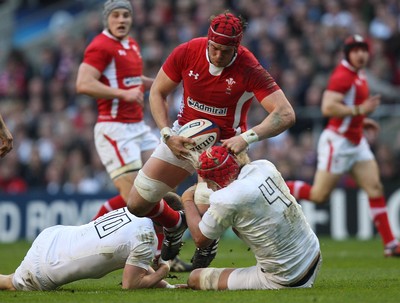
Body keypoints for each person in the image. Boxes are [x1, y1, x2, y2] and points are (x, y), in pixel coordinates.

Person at [126, 11, 295, 264]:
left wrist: (246, 138)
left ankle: (209, 244)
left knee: (206, 227)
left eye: (225, 51)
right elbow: (158, 92)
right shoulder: (187, 51)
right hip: (182, 137)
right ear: (208, 40)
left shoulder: (249, 67)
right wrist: (166, 134)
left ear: (237, 48)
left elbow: (285, 113)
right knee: (137, 204)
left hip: (224, 150)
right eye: (214, 48)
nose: (218, 55)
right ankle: (174, 223)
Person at [75, 0, 191, 271]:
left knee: (162, 188)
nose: (121, 20)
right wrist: (122, 94)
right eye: (116, 15)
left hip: (138, 128)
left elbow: (131, 79)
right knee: (135, 199)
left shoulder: (131, 45)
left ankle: (165, 257)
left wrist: (164, 84)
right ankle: (92, 240)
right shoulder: (100, 46)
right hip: (114, 129)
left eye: (126, 15)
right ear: (107, 19)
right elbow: (83, 83)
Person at [286, 34, 400, 257]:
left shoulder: (359, 73)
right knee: (319, 195)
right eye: (356, 50)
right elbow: (328, 108)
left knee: (375, 188)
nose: (361, 54)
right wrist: (359, 112)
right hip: (337, 142)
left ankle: (390, 244)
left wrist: (360, 120)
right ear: (347, 53)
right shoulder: (342, 76)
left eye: (364, 50)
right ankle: (279, 186)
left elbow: (347, 107)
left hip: (356, 141)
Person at [179, 146, 321, 290]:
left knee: (195, 278)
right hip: (313, 255)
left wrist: (187, 199)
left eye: (208, 180)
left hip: (287, 278)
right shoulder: (264, 166)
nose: (208, 186)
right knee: (239, 223)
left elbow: (199, 239)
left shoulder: (226, 199)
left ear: (216, 177)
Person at [0, 192, 186, 291]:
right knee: (9, 285)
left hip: (55, 236)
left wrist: (168, 287)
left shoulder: (134, 213)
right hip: (49, 265)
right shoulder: (146, 238)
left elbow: (139, 265)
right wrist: (164, 270)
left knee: (10, 279)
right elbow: (131, 284)